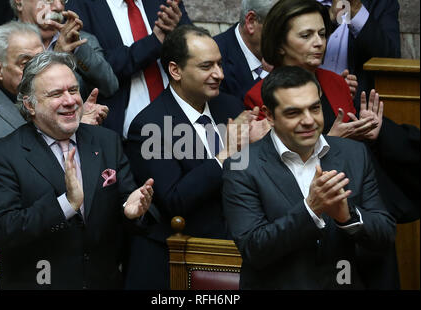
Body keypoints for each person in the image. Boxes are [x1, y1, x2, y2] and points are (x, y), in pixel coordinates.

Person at [0, 51, 155, 289]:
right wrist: (66, 205)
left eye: (73, 90)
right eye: (56, 94)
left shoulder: (106, 142)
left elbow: (124, 202)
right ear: (30, 105)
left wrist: (130, 211)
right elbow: (2, 230)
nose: (70, 100)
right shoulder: (3, 155)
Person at [222, 65, 396, 289]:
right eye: (293, 112)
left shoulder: (354, 153)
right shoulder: (241, 167)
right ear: (269, 115)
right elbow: (254, 249)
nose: (309, 120)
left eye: (314, 108)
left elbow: (385, 233)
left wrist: (348, 217)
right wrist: (310, 209)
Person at [124, 25, 265, 289]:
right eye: (206, 66)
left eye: (220, 64)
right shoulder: (150, 126)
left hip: (238, 250)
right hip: (180, 261)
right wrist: (226, 154)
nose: (219, 74)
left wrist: (261, 146)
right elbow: (175, 200)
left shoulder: (229, 106)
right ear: (176, 70)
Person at [0, 21, 108, 248]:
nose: (39, 69)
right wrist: (72, 127)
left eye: (42, 58)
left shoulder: (54, 94)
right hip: (18, 249)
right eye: (26, 62)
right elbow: (4, 202)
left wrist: (76, 127)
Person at [244, 0, 381, 140]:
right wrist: (333, 140)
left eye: (322, 34)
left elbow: (352, 149)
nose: (319, 43)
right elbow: (276, 157)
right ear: (279, 44)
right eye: (306, 36)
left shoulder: (337, 82)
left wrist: (364, 132)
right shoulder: (259, 96)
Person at [66, 0, 192, 137]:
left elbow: (198, 51)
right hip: (124, 133)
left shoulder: (165, 3)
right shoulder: (80, 5)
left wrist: (180, 32)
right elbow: (98, 68)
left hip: (183, 124)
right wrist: (153, 43)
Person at [0, 0, 118, 100]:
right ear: (19, 2)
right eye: (48, 0)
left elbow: (109, 87)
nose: (58, 7)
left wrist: (77, 48)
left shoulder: (83, 41)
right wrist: (57, 58)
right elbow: (4, 101)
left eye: (62, 0)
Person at [319, 0, 401, 110]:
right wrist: (328, 18)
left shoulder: (381, 3)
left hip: (358, 109)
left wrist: (357, 12)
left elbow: (390, 60)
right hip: (305, 100)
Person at [214, 0, 277, 100]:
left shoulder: (288, 53)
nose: (287, 35)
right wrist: (265, 76)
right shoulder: (215, 57)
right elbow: (231, 111)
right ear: (251, 22)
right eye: (280, 26)